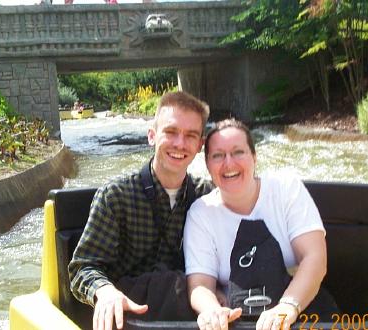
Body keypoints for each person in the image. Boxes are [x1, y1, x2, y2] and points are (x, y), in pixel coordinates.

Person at [68, 91, 213, 330]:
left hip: (191, 318)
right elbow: (83, 267)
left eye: (190, 135)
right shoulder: (116, 196)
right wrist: (105, 292)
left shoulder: (208, 196)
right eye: (171, 132)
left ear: (200, 145)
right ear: (152, 136)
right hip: (129, 320)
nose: (179, 143)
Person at [184, 119, 337, 330]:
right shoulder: (200, 214)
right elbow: (200, 285)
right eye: (218, 155)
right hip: (237, 319)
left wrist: (288, 307)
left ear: (254, 157)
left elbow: (314, 258)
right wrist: (211, 310)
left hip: (301, 312)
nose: (229, 163)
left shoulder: (286, 189)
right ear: (208, 166)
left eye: (238, 152)